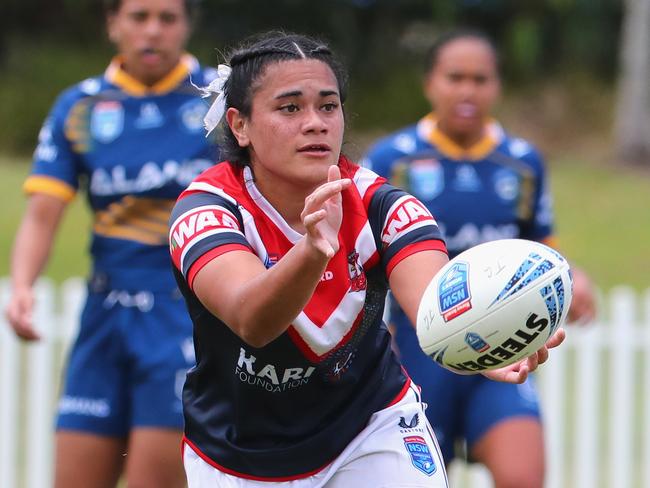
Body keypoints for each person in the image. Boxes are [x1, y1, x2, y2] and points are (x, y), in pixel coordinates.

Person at [168, 31, 565, 488]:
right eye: (290, 108)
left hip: (371, 426)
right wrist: (313, 251)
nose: (315, 123)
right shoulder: (207, 210)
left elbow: (434, 305)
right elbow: (252, 321)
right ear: (240, 125)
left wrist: (482, 342)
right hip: (238, 454)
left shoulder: (386, 207)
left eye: (328, 106)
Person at [362, 29, 596, 488]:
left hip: (505, 343)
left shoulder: (522, 162)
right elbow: (366, 254)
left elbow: (540, 242)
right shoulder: (393, 159)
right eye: (455, 77)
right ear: (430, 83)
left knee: (523, 475)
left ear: (496, 86)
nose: (467, 90)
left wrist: (573, 275)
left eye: (480, 79)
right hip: (418, 348)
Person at [4, 0, 218, 486]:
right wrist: (22, 286)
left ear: (186, 26)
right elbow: (42, 214)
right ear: (112, 24)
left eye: (167, 18)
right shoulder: (79, 107)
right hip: (103, 313)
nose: (153, 31)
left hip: (182, 316)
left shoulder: (218, 103)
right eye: (139, 17)